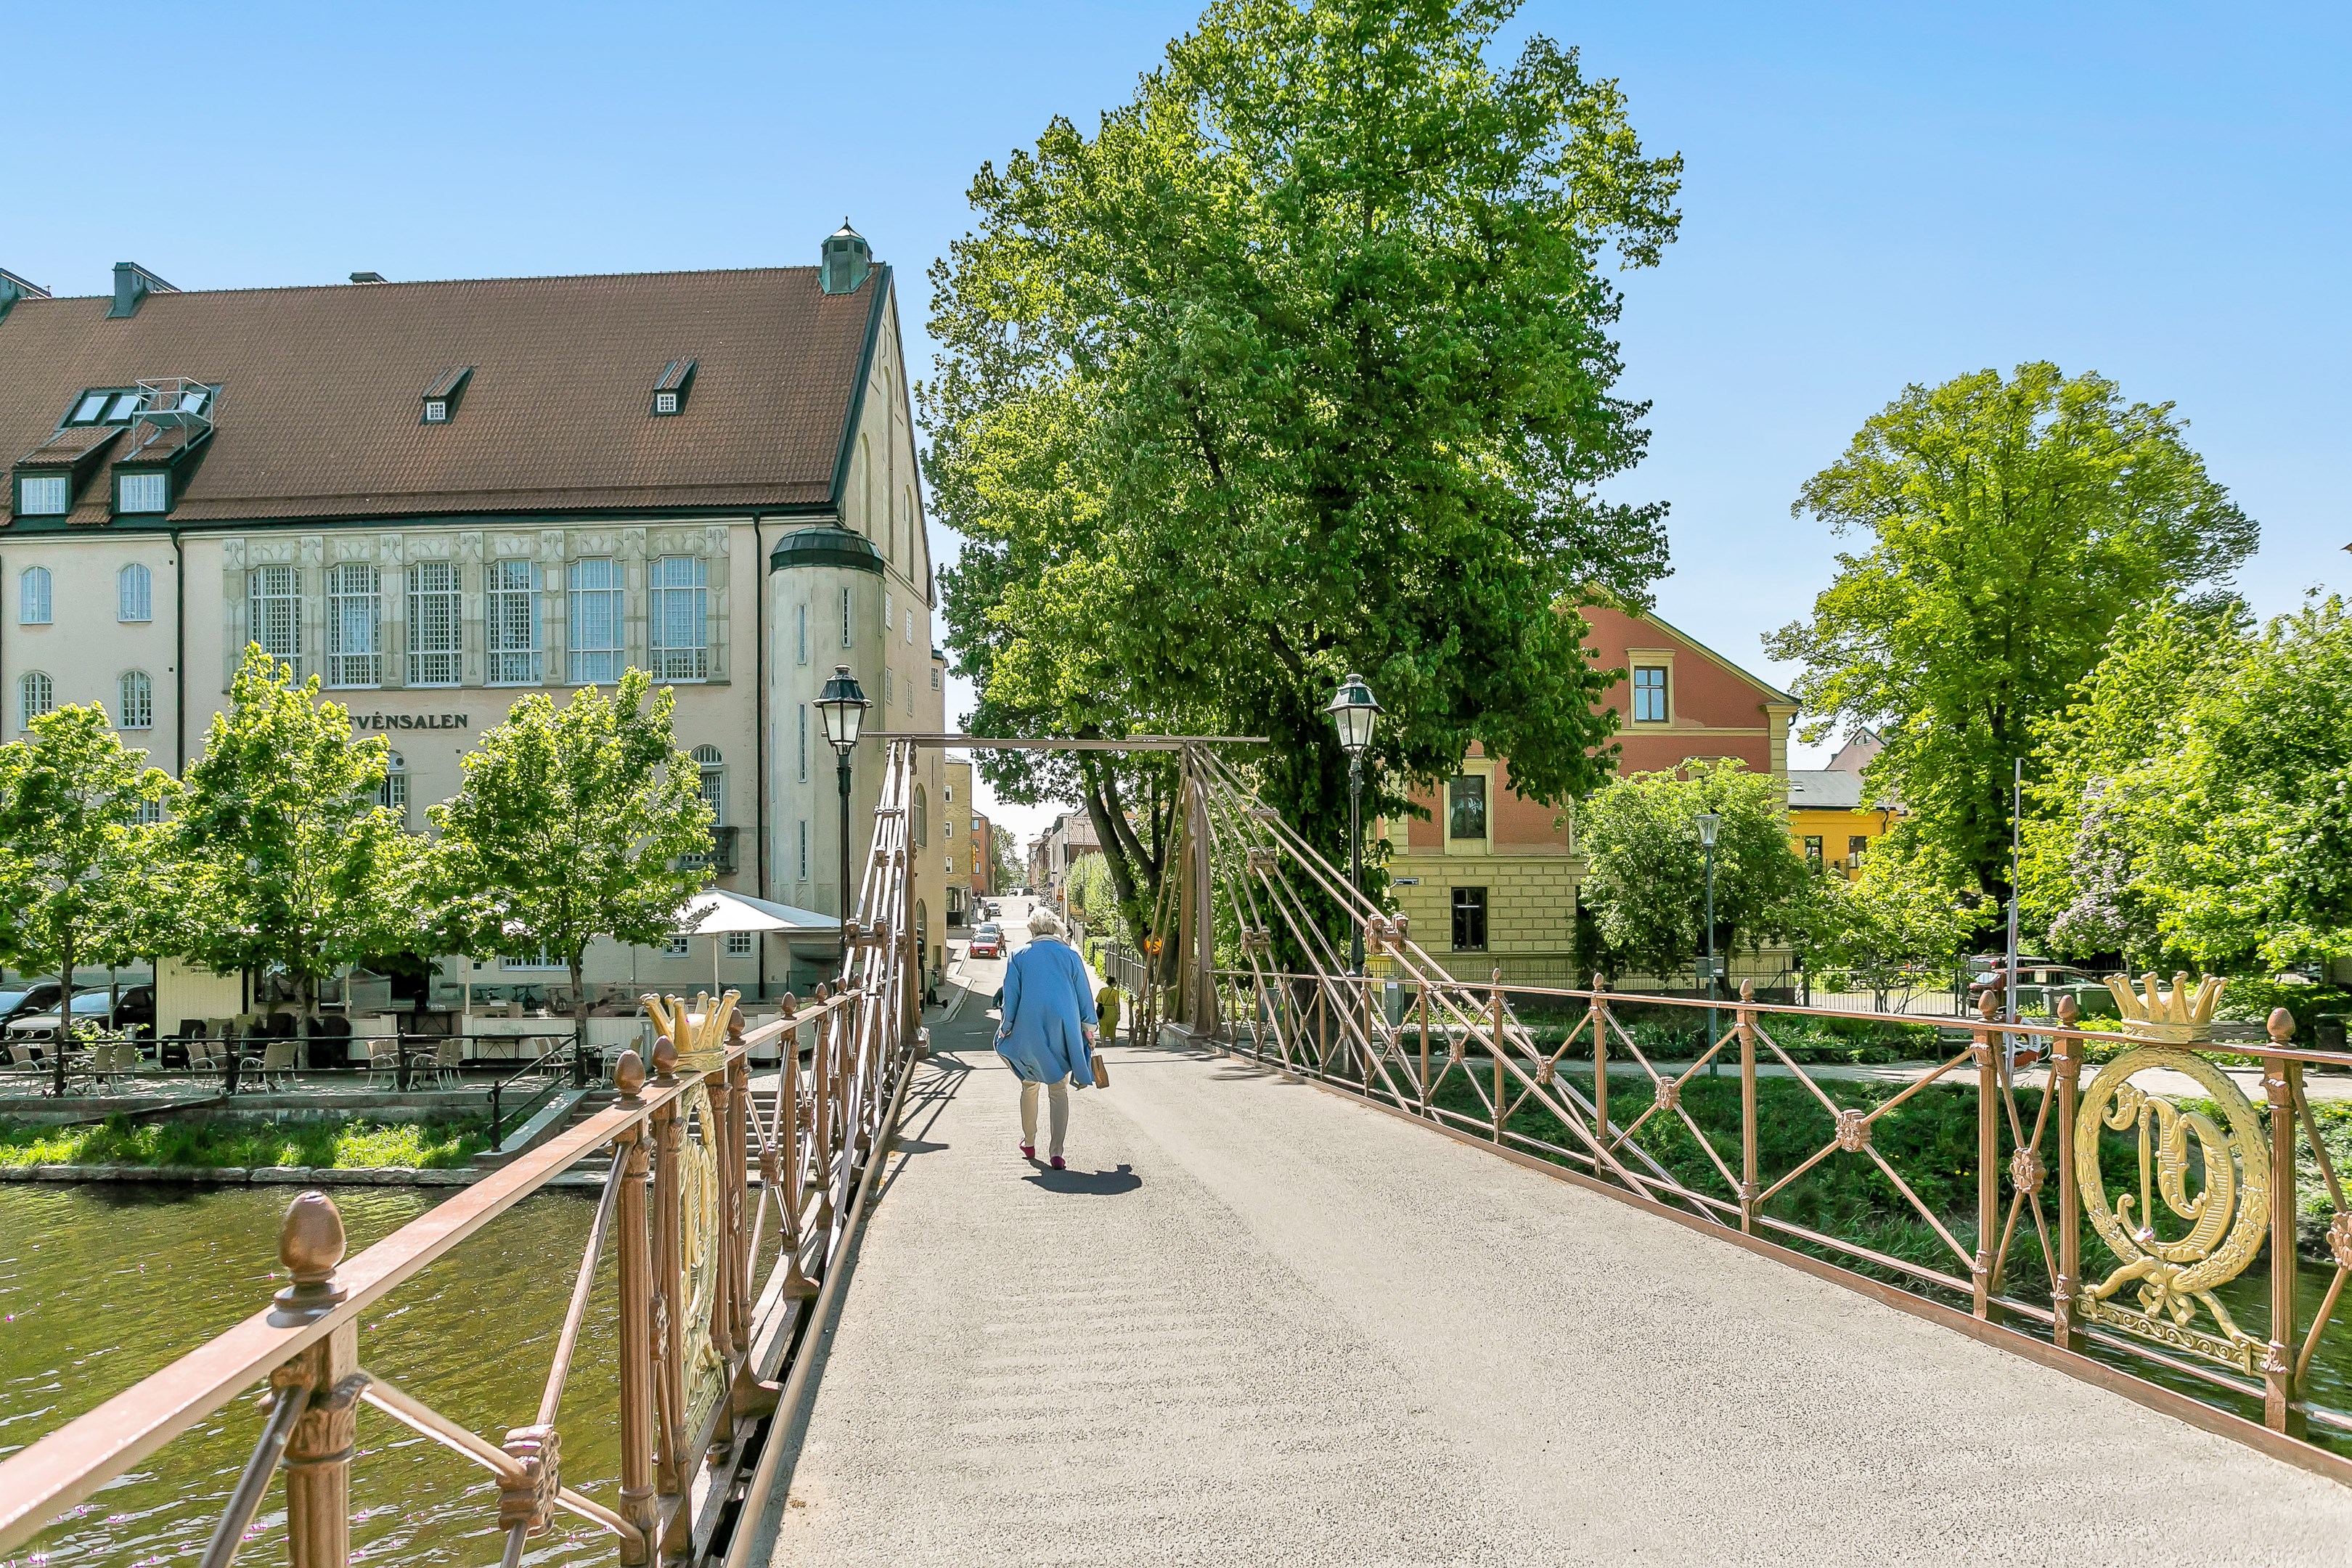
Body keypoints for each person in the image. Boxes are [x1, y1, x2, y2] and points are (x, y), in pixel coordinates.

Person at [995, 906, 1098, 1169]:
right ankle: (1057, 1152)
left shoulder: (1018, 956)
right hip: (1064, 1028)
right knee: (1058, 1089)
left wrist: (1006, 1027)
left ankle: (1029, 1142)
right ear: (1056, 929)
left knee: (1029, 1086)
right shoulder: (1071, 956)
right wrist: (1088, 1029)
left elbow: (1012, 998)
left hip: (1029, 1029)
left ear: (1032, 929)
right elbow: (1083, 995)